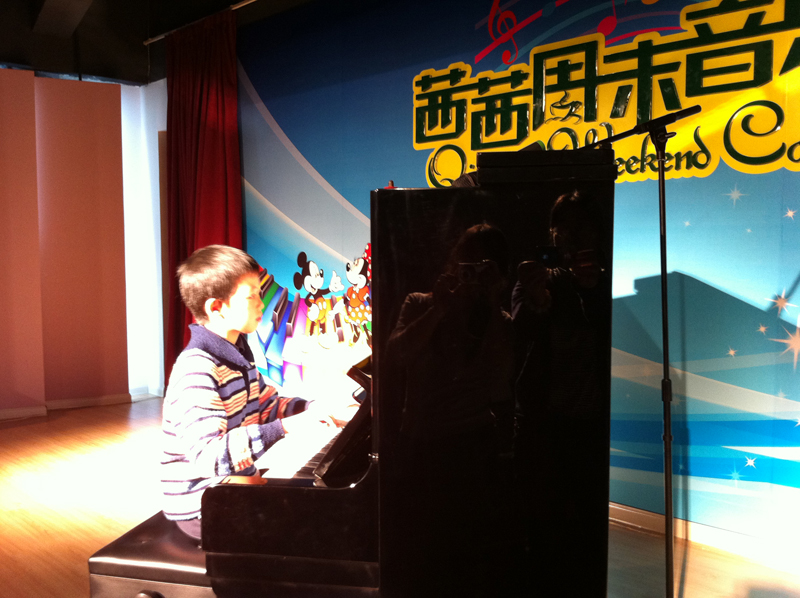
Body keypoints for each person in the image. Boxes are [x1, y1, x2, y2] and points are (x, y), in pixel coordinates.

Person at [161, 244, 352, 541]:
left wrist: (315, 409)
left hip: (233, 487)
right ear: (216, 307)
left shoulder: (237, 354)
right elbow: (209, 457)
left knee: (327, 508)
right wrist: (287, 427)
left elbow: (266, 405)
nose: (262, 304)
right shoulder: (197, 369)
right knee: (324, 525)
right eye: (252, 296)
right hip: (203, 506)